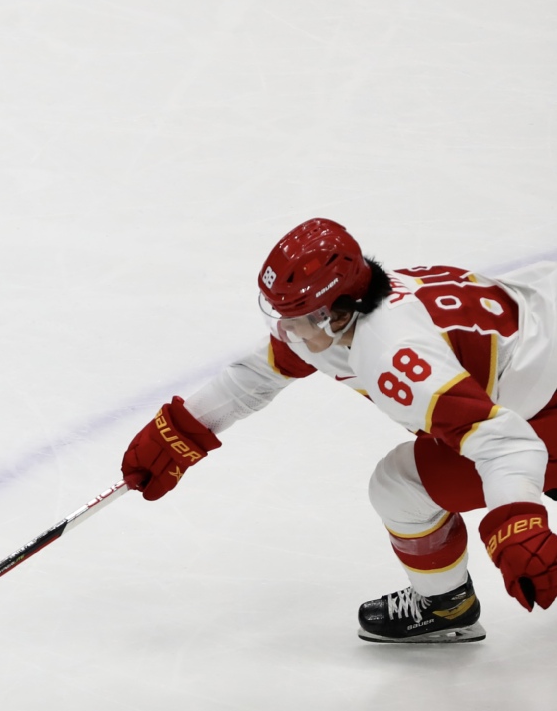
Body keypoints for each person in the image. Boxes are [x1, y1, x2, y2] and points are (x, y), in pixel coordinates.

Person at [120, 218, 557, 643]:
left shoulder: (392, 355)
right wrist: (178, 432)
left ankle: (445, 606)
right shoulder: (346, 318)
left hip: (545, 407)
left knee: (399, 486)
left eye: (297, 317)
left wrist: (518, 524)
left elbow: (507, 445)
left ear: (335, 313)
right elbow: (256, 375)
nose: (285, 330)